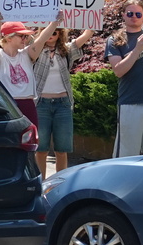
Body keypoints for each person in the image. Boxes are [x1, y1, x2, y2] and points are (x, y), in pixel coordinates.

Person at [30, 17, 98, 176]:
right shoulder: (35, 50)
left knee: (62, 150)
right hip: (41, 104)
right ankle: (41, 185)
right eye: (48, 30)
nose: (52, 33)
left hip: (63, 104)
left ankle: (60, 186)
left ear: (60, 33)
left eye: (55, 31)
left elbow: (87, 34)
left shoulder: (66, 50)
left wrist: (94, 16)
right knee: (41, 150)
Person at [105, 2, 143, 156]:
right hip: (130, 102)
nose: (134, 17)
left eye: (138, 14)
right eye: (130, 13)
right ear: (123, 15)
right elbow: (118, 70)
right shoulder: (114, 40)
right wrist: (138, 48)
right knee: (127, 152)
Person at [0, 17, 39, 128]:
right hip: (6, 104)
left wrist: (54, 23)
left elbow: (42, 39)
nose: (25, 39)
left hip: (28, 104)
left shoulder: (25, 54)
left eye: (26, 36)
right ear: (8, 37)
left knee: (30, 142)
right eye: (21, 36)